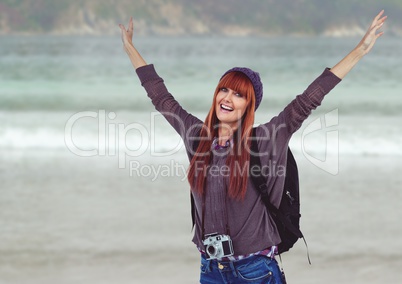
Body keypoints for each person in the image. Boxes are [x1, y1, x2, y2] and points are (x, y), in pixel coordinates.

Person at [119, 10, 387, 284]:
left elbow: (308, 99)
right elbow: (161, 97)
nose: (227, 98)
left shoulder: (265, 140)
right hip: (210, 270)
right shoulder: (198, 138)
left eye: (238, 94)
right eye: (224, 90)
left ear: (250, 106)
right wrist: (131, 50)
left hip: (255, 271)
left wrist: (360, 51)